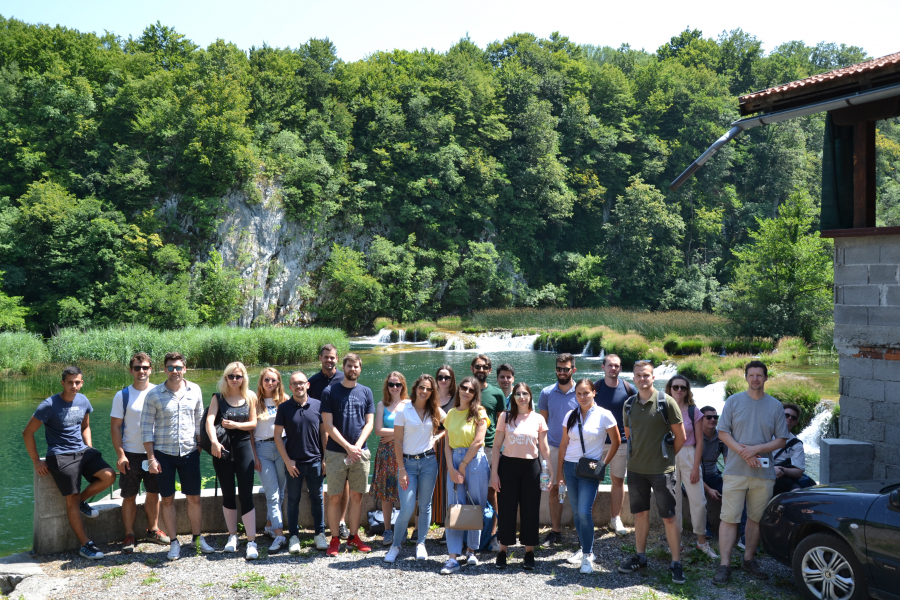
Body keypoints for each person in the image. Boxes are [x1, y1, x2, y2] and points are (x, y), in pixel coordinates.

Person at [23, 366, 117, 559]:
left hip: (82, 451)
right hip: (60, 455)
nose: (74, 386)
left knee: (109, 476)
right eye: (70, 382)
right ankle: (86, 545)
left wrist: (89, 447)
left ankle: (83, 500)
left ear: (82, 383)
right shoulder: (48, 405)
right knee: (71, 497)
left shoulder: (83, 400)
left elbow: (85, 426)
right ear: (63, 383)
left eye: (78, 382)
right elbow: (27, 432)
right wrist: (36, 461)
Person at [713, 360, 790, 586]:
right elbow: (723, 433)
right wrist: (745, 453)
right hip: (736, 470)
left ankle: (749, 560)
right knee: (729, 518)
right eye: (751, 375)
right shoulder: (734, 401)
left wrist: (756, 449)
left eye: (760, 375)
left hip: (763, 474)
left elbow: (781, 439)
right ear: (746, 377)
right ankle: (724, 565)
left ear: (766, 378)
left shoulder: (775, 406)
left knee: (755, 519)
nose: (755, 379)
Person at [618, 360, 687, 584]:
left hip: (661, 471)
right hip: (636, 470)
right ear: (634, 377)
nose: (642, 379)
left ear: (653, 377)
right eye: (638, 375)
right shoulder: (629, 404)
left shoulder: (666, 402)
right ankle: (640, 556)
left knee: (668, 517)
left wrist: (665, 459)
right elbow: (630, 435)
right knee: (640, 515)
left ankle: (676, 562)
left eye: (646, 375)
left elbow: (681, 437)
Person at [141, 352, 215, 560]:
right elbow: (146, 428)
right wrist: (151, 458)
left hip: (189, 452)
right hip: (163, 454)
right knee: (167, 499)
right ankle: (174, 542)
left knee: (194, 498)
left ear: (185, 369)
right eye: (171, 367)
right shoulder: (154, 394)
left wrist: (200, 444)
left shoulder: (195, 390)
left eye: (178, 367)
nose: (175, 371)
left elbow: (200, 418)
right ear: (164, 370)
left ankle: (197, 538)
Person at [557, 379, 619, 573]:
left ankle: (587, 555)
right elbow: (564, 444)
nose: (582, 397)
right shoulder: (570, 415)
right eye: (579, 394)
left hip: (590, 468)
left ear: (594, 393)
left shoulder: (604, 415)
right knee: (576, 512)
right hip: (570, 466)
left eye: (586, 393)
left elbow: (616, 441)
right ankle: (583, 548)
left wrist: (603, 464)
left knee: (584, 512)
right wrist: (559, 471)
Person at [110, 353, 169, 553]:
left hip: (155, 453)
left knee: (154, 493)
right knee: (129, 495)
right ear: (131, 370)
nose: (141, 371)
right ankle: (129, 535)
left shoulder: (160, 392)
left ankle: (153, 530)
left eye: (145, 367)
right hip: (131, 454)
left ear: (151, 370)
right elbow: (115, 427)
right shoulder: (123, 395)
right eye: (137, 368)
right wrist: (120, 455)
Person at [385, 374, 446, 563]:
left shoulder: (434, 409)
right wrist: (401, 469)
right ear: (415, 388)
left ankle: (421, 543)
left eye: (428, 389)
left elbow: (453, 422)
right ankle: (396, 545)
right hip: (408, 464)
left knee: (425, 506)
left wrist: (438, 437)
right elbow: (397, 440)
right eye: (422, 388)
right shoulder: (404, 410)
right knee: (407, 507)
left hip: (429, 462)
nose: (425, 391)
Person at [491, 383, 552, 570]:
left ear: (530, 396)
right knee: (507, 509)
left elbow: (544, 448)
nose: (521, 397)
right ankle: (502, 551)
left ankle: (529, 552)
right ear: (513, 397)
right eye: (518, 394)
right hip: (508, 466)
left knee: (530, 510)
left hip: (531, 468)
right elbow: (496, 446)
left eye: (525, 393)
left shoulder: (538, 418)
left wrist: (549, 472)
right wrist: (494, 473)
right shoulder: (505, 417)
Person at [321, 353, 375, 555]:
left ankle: (353, 537)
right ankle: (335, 538)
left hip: (361, 452)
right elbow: (328, 425)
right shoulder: (330, 391)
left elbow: (369, 423)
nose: (353, 369)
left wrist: (357, 446)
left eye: (356, 366)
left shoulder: (366, 392)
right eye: (350, 366)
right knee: (335, 497)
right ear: (343, 367)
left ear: (360, 369)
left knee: (357, 496)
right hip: (336, 453)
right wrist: (347, 447)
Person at [206, 362, 259, 558]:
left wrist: (235, 425)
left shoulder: (250, 397)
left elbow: (253, 423)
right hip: (223, 449)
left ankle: (251, 541)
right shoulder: (218, 397)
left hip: (244, 448)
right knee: (228, 492)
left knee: (246, 493)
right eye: (231, 376)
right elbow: (209, 421)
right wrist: (213, 442)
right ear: (225, 377)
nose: (235, 379)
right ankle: (232, 536)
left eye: (238, 376)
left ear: (244, 378)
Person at [440, 376, 491, 574]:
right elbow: (446, 444)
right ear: (459, 389)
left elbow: (478, 441)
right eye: (464, 388)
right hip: (454, 460)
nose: (467, 392)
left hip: (474, 461)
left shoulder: (479, 412)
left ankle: (471, 550)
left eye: (471, 390)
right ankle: (453, 557)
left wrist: (462, 466)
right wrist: (452, 469)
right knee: (454, 507)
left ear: (475, 394)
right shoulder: (451, 413)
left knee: (474, 506)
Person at [275, 371, 329, 554]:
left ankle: (319, 535)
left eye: (302, 383)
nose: (299, 386)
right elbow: (277, 436)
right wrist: (287, 461)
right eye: (295, 384)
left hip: (315, 461)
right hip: (294, 463)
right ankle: (294, 537)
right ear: (290, 387)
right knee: (293, 500)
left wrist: (325, 459)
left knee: (318, 499)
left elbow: (324, 433)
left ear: (308, 385)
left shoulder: (318, 405)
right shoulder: (283, 408)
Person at [666, 375, 717, 559]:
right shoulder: (663, 408)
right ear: (670, 388)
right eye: (676, 387)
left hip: (688, 454)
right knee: (674, 502)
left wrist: (696, 467)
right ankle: (676, 543)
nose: (679, 391)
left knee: (699, 501)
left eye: (683, 388)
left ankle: (702, 542)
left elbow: (699, 442)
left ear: (687, 390)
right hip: (669, 455)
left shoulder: (694, 411)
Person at [308, 343, 351, 541]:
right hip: (315, 439)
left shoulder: (345, 378)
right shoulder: (312, 383)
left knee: (345, 482)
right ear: (320, 358)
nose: (329, 360)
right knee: (320, 482)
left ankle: (341, 522)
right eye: (326, 357)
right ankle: (321, 526)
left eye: (332, 357)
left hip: (341, 437)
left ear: (337, 358)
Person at [537, 353, 578, 547]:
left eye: (566, 369)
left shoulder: (582, 392)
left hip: (576, 450)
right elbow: (542, 424)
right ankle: (555, 531)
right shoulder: (546, 393)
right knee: (555, 488)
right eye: (559, 369)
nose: (562, 372)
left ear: (573, 370)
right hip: (553, 448)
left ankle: (582, 533)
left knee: (580, 489)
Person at [593, 353, 634, 536]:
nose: (613, 369)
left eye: (616, 366)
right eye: (610, 365)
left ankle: (615, 519)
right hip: (597, 443)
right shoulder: (596, 388)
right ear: (603, 367)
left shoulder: (628, 389)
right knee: (593, 480)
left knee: (618, 480)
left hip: (621, 444)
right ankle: (588, 519)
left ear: (620, 368)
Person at [252, 368, 290, 552]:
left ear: (278, 382)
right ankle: (280, 535)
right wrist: (254, 456)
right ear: (261, 382)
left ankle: (269, 526)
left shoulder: (285, 400)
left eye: (273, 380)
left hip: (282, 447)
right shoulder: (255, 402)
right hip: (263, 449)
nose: (270, 383)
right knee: (272, 494)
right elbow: (250, 433)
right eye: (267, 380)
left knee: (280, 492)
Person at [471, 354, 505, 548]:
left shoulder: (496, 393)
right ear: (472, 368)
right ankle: (470, 533)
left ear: (490, 371)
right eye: (478, 366)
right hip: (469, 447)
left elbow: (501, 420)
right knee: (471, 491)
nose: (481, 370)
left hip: (491, 447)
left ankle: (492, 534)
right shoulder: (466, 389)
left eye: (485, 367)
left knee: (492, 491)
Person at [371, 371, 407, 547]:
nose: (394, 387)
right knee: (387, 494)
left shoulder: (408, 404)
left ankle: (402, 528)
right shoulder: (381, 405)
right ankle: (387, 530)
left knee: (404, 491)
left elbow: (412, 429)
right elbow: (378, 431)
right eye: (391, 384)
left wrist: (392, 434)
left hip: (404, 451)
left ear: (403, 386)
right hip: (386, 453)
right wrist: (398, 433)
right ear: (387, 386)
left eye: (398, 384)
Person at [431, 365, 457, 533]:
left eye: (447, 377)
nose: (443, 380)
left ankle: (450, 524)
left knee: (448, 484)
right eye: (440, 377)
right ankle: (434, 521)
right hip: (428, 443)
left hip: (449, 443)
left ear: (452, 379)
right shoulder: (429, 396)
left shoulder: (457, 399)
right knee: (431, 482)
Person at [772, 402, 809, 495]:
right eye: (786, 415)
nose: (790, 418)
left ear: (796, 422)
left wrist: (782, 470)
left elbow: (798, 472)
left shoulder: (797, 445)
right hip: (760, 473)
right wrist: (771, 469)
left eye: (793, 417)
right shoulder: (765, 434)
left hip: (781, 478)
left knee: (797, 494)